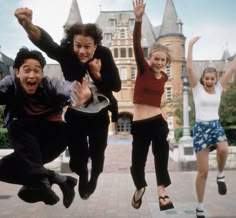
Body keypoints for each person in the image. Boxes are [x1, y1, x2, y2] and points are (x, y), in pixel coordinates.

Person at [14, 7, 121, 200]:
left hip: (99, 113)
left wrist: (97, 75)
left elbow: (117, 85)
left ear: (95, 45)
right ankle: (83, 173)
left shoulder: (104, 54)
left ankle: (95, 175)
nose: (81, 51)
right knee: (77, 159)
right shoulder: (67, 53)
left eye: (87, 46)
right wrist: (28, 25)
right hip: (76, 112)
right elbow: (47, 44)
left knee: (98, 152)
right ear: (73, 43)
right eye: (78, 45)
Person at [0, 47, 92, 208]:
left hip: (53, 139)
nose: (32, 76)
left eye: (37, 71)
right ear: (17, 72)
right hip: (30, 148)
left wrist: (81, 96)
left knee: (17, 124)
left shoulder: (50, 85)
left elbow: (68, 88)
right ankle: (60, 180)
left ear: (42, 74)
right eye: (26, 70)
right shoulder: (9, 84)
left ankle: (41, 183)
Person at [130, 0, 174, 211]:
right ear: (149, 58)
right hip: (139, 124)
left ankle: (162, 192)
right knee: (137, 163)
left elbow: (161, 102)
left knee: (162, 157)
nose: (158, 62)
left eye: (162, 60)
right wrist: (138, 19)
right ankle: (140, 188)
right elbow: (136, 44)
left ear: (166, 62)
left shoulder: (164, 77)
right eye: (156, 59)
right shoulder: (143, 70)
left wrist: (165, 119)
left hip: (158, 122)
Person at [186, 36, 236, 218]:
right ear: (203, 79)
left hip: (215, 126)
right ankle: (200, 206)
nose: (209, 81)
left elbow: (231, 67)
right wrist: (190, 45)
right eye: (206, 78)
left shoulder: (220, 88)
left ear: (216, 79)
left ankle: (221, 175)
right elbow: (189, 68)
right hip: (200, 129)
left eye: (212, 78)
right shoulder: (197, 89)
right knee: (203, 172)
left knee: (224, 148)